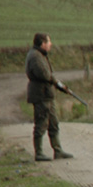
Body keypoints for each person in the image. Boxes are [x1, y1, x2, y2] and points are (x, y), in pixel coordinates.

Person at [25, 33, 73, 162]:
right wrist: (57, 83)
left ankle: (58, 151)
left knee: (53, 123)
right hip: (41, 95)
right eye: (48, 42)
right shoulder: (35, 56)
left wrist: (58, 85)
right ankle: (39, 153)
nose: (50, 44)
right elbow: (45, 75)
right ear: (42, 43)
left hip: (47, 95)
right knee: (41, 123)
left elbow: (47, 75)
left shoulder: (40, 55)